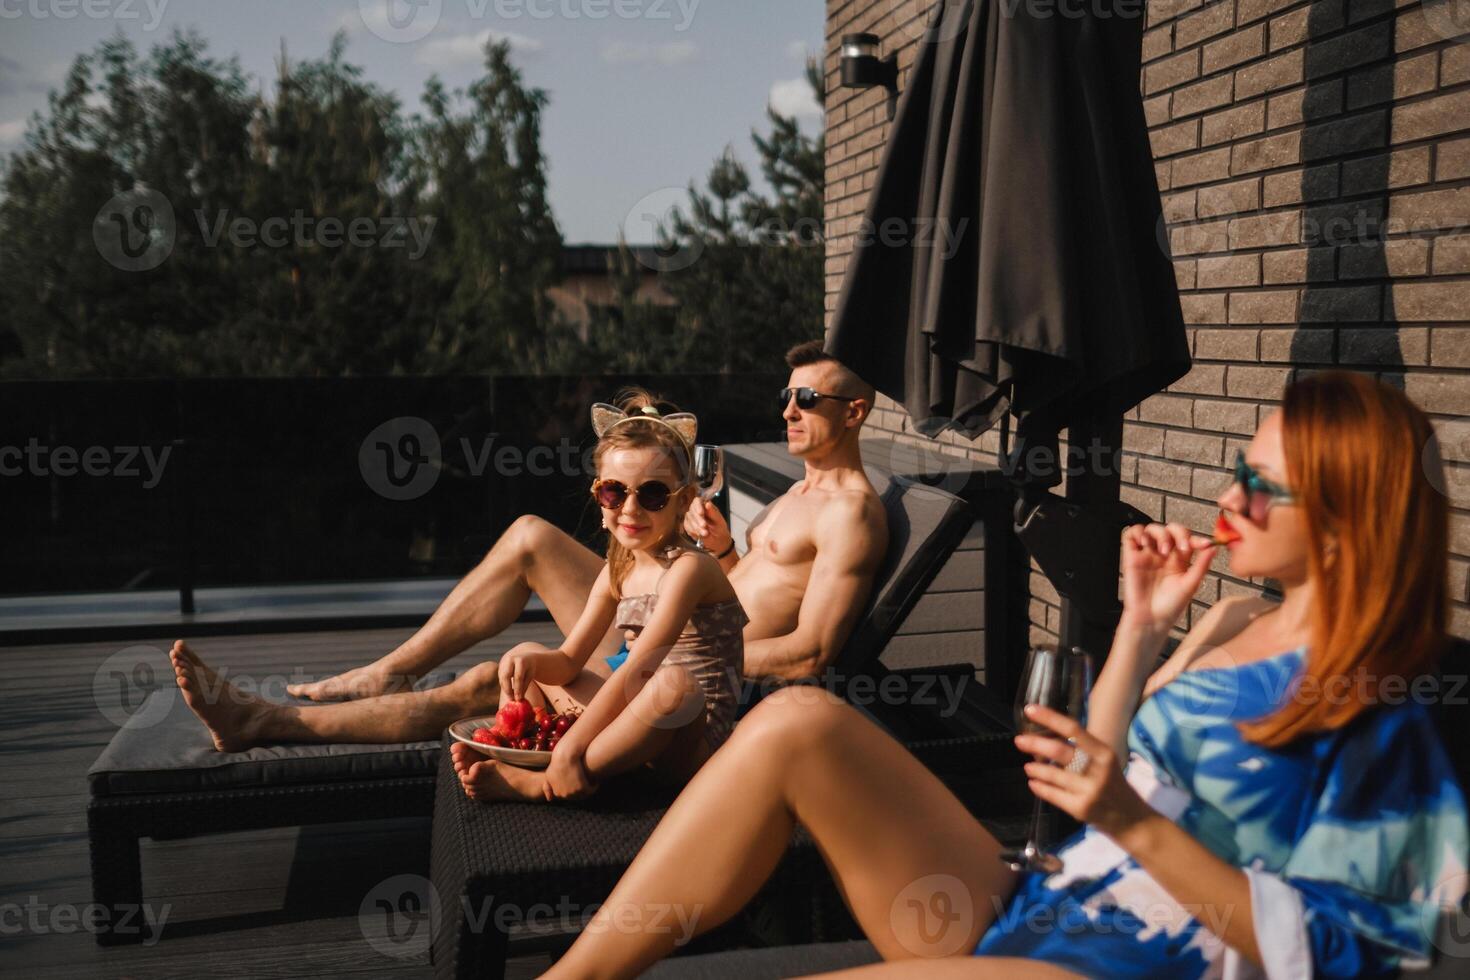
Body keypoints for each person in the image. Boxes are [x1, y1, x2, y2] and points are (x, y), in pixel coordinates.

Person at [541, 370, 1469, 979]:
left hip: (1132, 961)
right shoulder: (1233, 618)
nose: (1229, 498)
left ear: (1350, 519)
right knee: (795, 726)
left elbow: (1352, 956)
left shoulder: (1378, 704)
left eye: (1262, 487)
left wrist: (1131, 821)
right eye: (1239, 469)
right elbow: (1098, 777)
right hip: (1053, 896)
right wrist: (1143, 624)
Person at [167, 341, 888, 750]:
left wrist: (650, 649)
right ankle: (385, 673)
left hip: (690, 676)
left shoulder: (851, 515)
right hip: (665, 627)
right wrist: (727, 553)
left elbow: (808, 653)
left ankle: (268, 722)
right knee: (530, 537)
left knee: (490, 681)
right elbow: (739, 590)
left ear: (855, 411)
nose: (787, 410)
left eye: (808, 401)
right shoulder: (797, 493)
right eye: (786, 397)